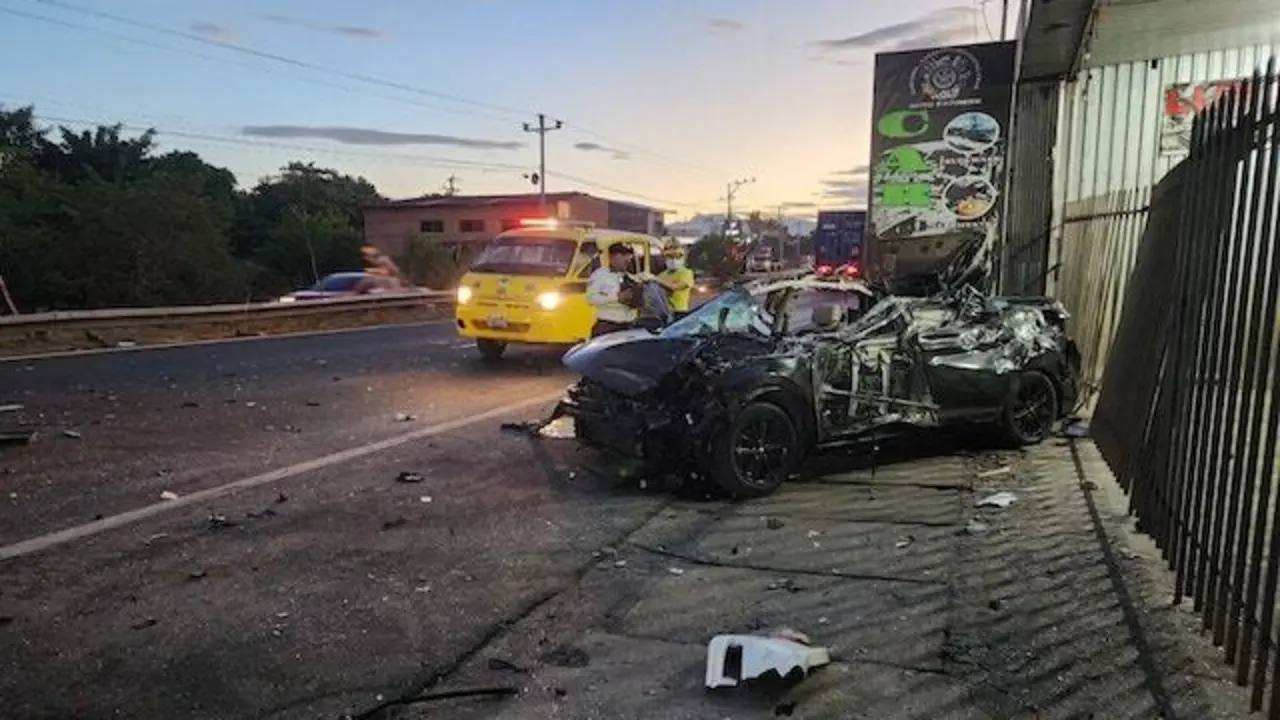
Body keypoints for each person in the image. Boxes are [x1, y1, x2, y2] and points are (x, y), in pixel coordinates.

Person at [586, 243, 638, 337]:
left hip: (628, 326)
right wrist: (616, 298)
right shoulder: (599, 275)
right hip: (607, 326)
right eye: (622, 255)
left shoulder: (631, 277)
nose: (627, 259)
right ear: (612, 257)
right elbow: (590, 299)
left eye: (628, 255)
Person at [655, 238, 695, 319]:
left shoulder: (686, 273)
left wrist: (656, 280)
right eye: (669, 257)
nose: (673, 260)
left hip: (680, 313)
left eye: (677, 257)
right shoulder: (661, 275)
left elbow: (675, 287)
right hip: (664, 312)